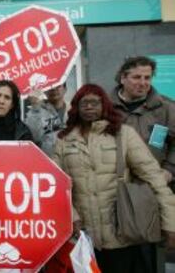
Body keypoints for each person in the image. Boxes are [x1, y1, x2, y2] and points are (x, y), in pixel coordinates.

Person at [53, 84, 175, 273]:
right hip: (83, 239)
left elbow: (154, 178)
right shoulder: (64, 139)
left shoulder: (123, 134)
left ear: (105, 106)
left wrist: (170, 222)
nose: (89, 107)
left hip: (122, 235)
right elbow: (55, 185)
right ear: (76, 107)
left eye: (95, 102)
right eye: (84, 102)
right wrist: (72, 216)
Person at [111, 56, 175, 184]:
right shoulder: (106, 108)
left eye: (147, 78)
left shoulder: (167, 108)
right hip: (115, 186)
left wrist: (169, 170)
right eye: (136, 77)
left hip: (154, 186)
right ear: (123, 78)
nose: (142, 83)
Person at [25, 83, 69, 157]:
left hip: (71, 162)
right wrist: (35, 106)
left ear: (65, 89)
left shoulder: (74, 111)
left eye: (58, 86)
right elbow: (33, 137)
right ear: (45, 91)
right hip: (49, 161)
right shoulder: (36, 112)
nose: (54, 89)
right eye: (50, 86)